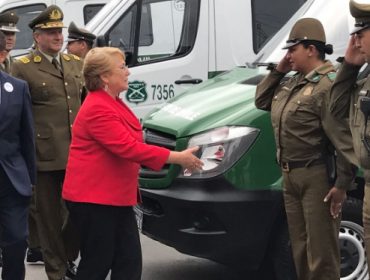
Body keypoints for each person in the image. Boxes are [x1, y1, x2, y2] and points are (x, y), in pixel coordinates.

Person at [62, 46, 204, 280]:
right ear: (105, 77)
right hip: (94, 200)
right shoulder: (98, 107)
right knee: (97, 264)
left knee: (128, 262)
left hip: (113, 197)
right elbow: (128, 147)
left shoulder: (112, 101)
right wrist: (178, 157)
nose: (128, 72)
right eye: (122, 67)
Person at [255, 18, 358, 280]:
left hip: (318, 177)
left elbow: (342, 137)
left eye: (293, 50)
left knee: (321, 251)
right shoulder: (293, 82)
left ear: (310, 50)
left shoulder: (328, 84)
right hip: (290, 176)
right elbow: (261, 100)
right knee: (300, 249)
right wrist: (278, 71)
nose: (288, 56)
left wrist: (342, 185)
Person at [11, 5, 85, 280]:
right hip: (44, 156)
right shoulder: (23, 68)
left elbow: (88, 106)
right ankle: (57, 271)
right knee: (49, 219)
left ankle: (67, 256)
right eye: (51, 32)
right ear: (37, 36)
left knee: (78, 213)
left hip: (78, 154)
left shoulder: (75, 64)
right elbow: (15, 115)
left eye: (60, 31)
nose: (58, 36)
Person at [329, 0, 370, 273]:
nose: (355, 42)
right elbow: (334, 110)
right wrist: (348, 68)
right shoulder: (365, 83)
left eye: (361, 34)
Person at [0, 30, 36, 280]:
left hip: (11, 180)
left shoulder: (17, 88)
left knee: (16, 239)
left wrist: (30, 179)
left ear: (2, 55)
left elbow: (27, 136)